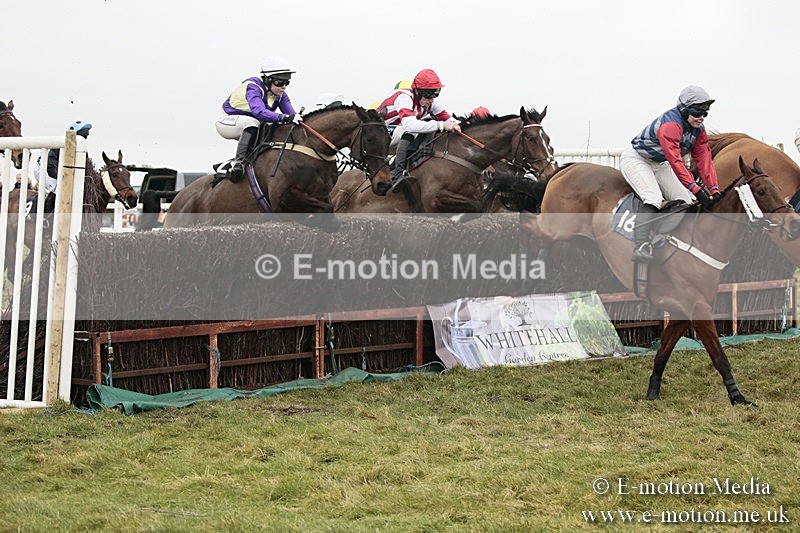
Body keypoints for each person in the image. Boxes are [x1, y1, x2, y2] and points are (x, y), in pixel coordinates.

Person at [620, 85, 720, 263]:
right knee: (653, 198)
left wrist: (714, 190)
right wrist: (697, 189)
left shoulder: (699, 129)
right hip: (637, 159)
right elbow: (676, 162)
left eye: (706, 112)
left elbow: (704, 160)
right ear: (684, 109)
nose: (702, 117)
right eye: (698, 112)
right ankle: (641, 246)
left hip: (659, 163)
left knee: (687, 201)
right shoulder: (671, 126)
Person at [215, 56, 301, 182]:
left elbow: (292, 115)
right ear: (267, 79)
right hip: (228, 122)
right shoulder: (253, 86)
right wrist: (286, 118)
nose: (283, 87)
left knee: (273, 128)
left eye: (287, 82)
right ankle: (238, 163)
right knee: (253, 122)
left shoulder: (280, 95)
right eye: (279, 82)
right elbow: (259, 112)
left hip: (250, 125)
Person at [374, 69, 461, 193]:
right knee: (413, 129)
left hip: (397, 135)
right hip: (379, 134)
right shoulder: (404, 97)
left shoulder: (429, 103)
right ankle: (397, 174)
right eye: (429, 95)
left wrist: (462, 126)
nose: (432, 100)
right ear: (417, 92)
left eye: (435, 94)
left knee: (424, 126)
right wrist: (441, 125)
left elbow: (451, 121)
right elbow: (410, 125)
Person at [28, 121, 91, 216]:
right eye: (82, 135)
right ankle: (46, 217)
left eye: (85, 136)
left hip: (57, 168)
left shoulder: (81, 149)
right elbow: (51, 167)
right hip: (43, 169)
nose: (84, 138)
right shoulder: (59, 146)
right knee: (59, 188)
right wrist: (65, 177)